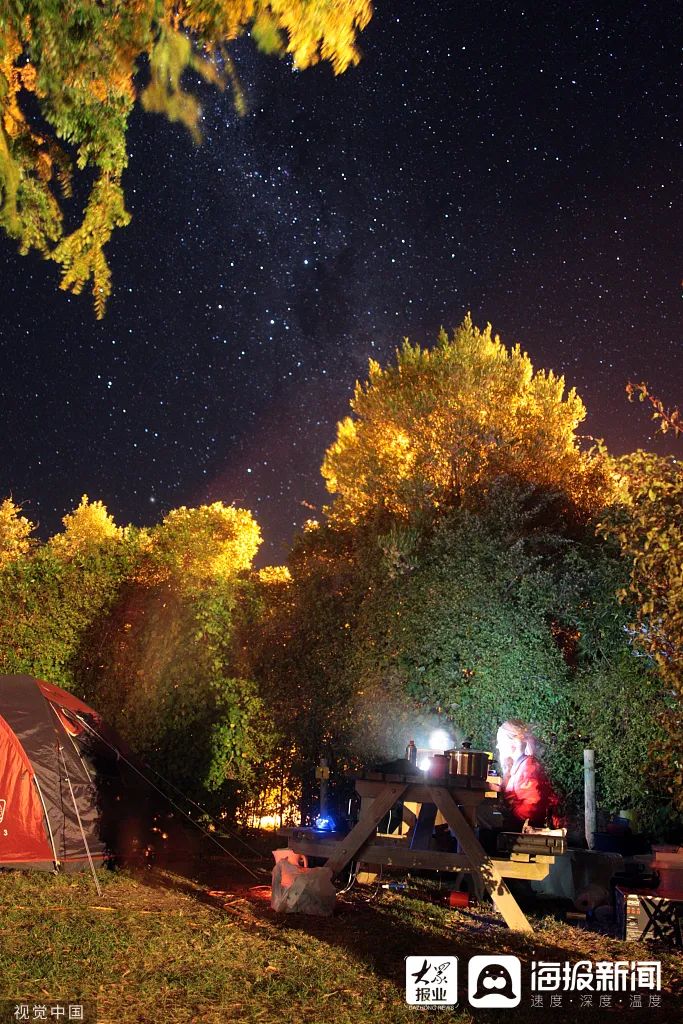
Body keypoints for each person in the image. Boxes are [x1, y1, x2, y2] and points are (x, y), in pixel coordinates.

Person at [494, 719, 559, 829]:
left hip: (526, 832)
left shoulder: (528, 768)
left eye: (500, 741)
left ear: (513, 744)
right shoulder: (519, 765)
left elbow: (531, 807)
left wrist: (509, 816)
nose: (497, 746)